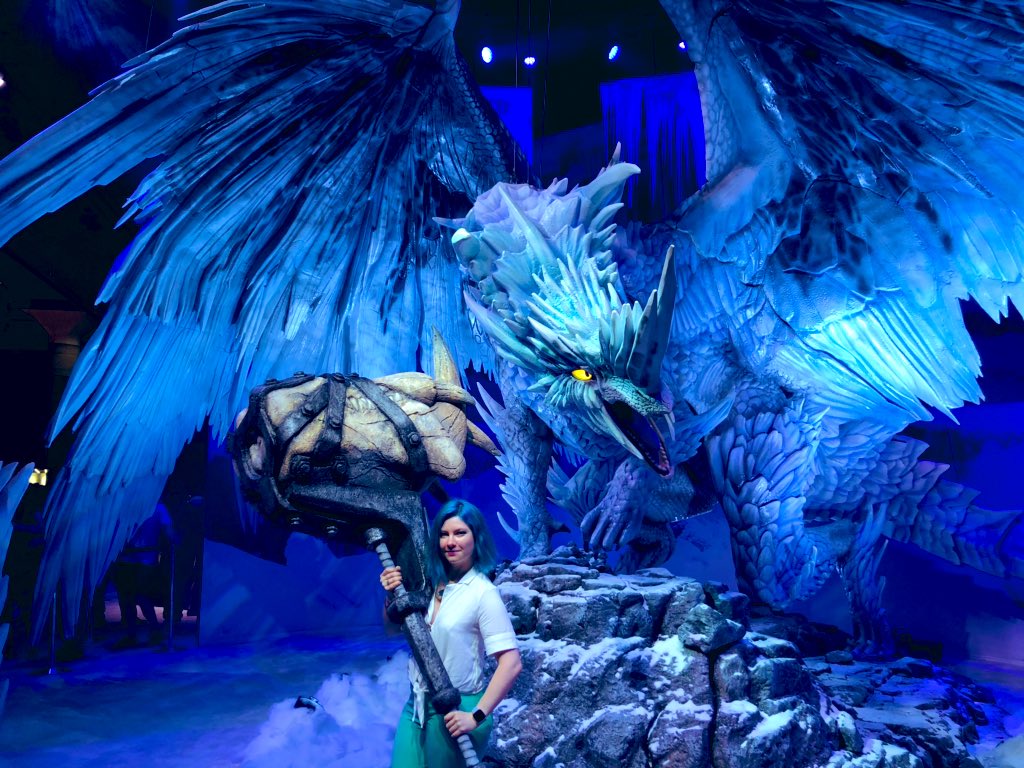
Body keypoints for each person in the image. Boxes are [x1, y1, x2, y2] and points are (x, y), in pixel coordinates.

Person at [381, 499, 522, 768]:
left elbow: (512, 663)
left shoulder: (483, 593)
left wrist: (476, 716)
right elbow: (390, 629)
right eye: (444, 534)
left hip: (457, 708)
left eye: (460, 533)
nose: (450, 542)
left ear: (476, 537)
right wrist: (391, 596)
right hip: (416, 706)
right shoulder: (429, 584)